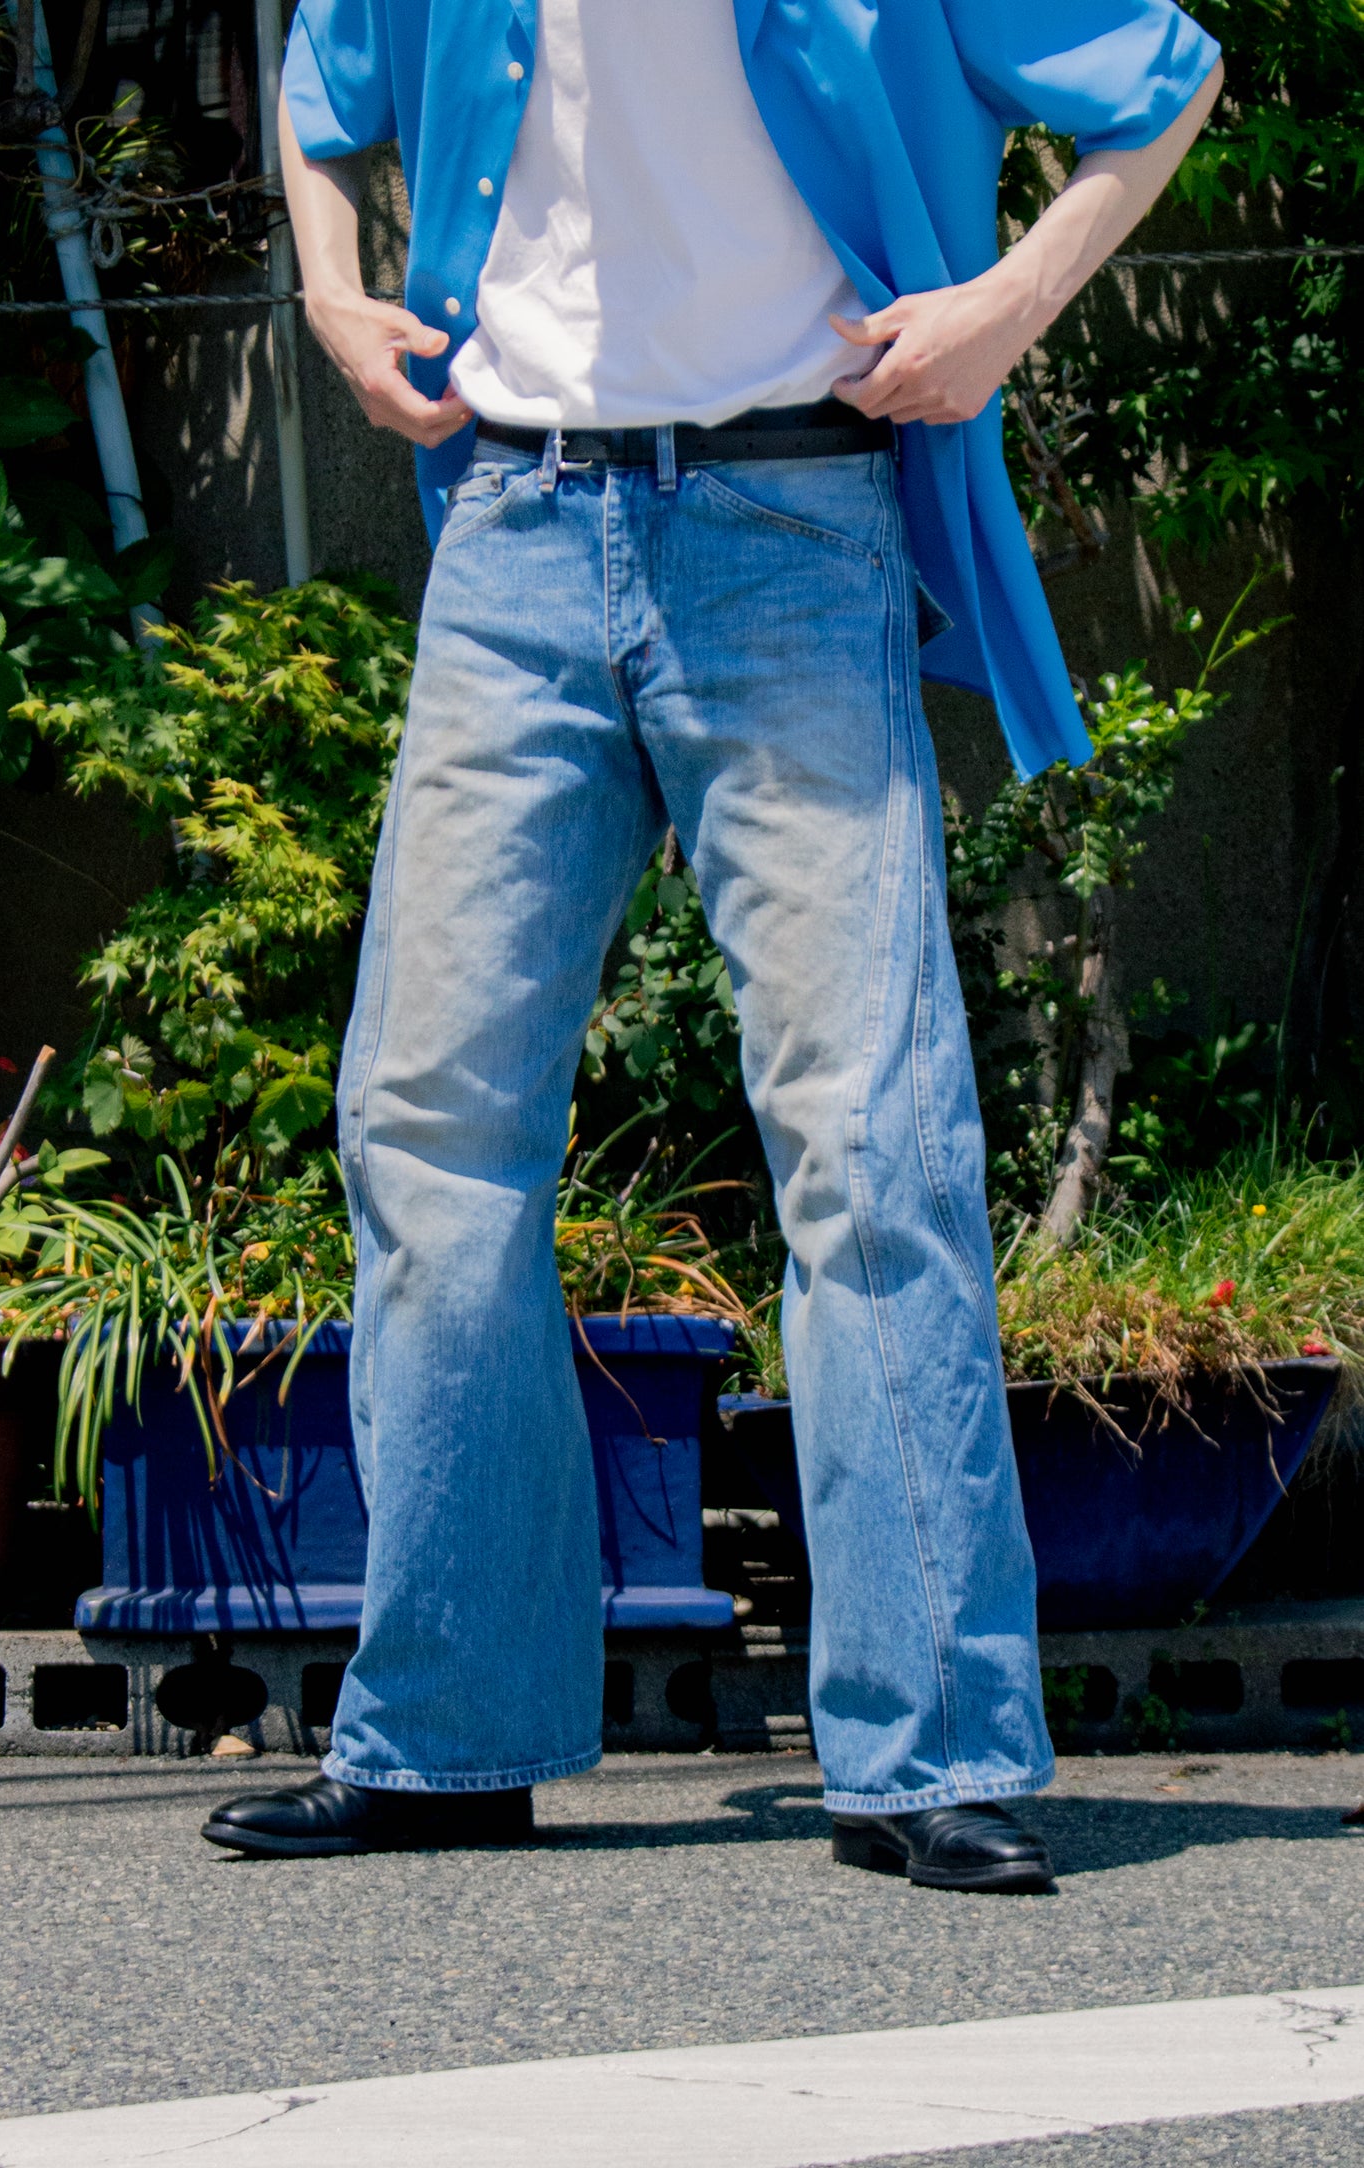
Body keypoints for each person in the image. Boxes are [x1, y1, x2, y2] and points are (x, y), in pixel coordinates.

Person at [203, 0, 1222, 1888]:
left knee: (870, 1144)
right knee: (428, 1133)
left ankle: (928, 1754)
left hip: (795, 518)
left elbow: (1162, 73)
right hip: (511, 532)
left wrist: (1007, 305)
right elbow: (320, 87)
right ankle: (447, 1736)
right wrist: (334, 300)